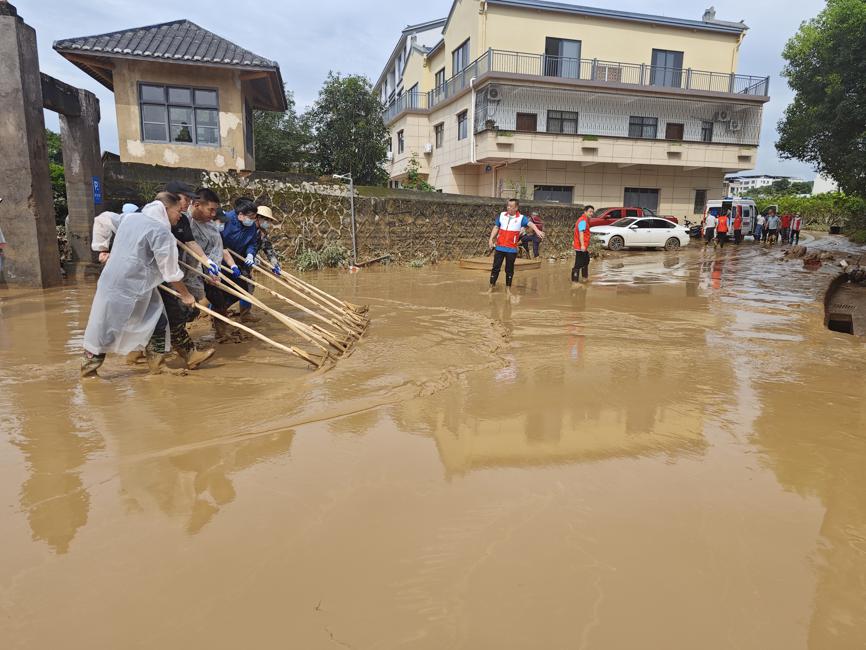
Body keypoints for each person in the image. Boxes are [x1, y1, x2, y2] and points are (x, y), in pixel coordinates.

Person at [80, 193, 198, 377]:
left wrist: (102, 248)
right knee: (106, 327)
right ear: (166, 209)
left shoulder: (130, 218)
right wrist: (186, 295)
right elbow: (170, 272)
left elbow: (102, 219)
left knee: (158, 322)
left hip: (125, 283)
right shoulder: (161, 232)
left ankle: (157, 366)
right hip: (130, 286)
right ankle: (88, 372)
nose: (180, 216)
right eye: (177, 211)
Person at [488, 198, 545, 295]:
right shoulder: (502, 215)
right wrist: (490, 239)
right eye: (508, 206)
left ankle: (508, 289)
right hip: (500, 247)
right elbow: (496, 227)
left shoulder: (521, 218)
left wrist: (537, 231)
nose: (508, 208)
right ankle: (491, 287)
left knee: (509, 270)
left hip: (511, 249)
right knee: (495, 268)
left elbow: (530, 223)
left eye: (511, 206)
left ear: (516, 208)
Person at [572, 205, 594, 282]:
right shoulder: (583, 221)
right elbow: (581, 233)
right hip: (580, 246)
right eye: (590, 212)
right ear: (585, 212)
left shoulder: (583, 220)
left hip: (581, 245)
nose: (591, 213)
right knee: (578, 264)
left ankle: (585, 278)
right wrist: (582, 245)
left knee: (586, 261)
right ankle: (574, 282)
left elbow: (576, 230)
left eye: (592, 212)